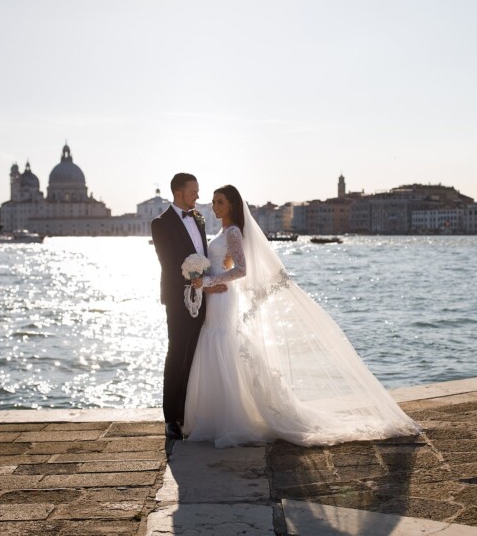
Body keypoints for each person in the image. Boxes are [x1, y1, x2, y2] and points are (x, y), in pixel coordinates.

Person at [184, 185, 420, 447]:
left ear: (232, 206)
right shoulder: (224, 231)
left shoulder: (234, 232)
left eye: (220, 202)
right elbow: (228, 264)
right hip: (216, 296)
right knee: (220, 344)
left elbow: (241, 270)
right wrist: (206, 278)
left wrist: (207, 280)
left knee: (222, 342)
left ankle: (231, 419)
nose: (215, 206)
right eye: (214, 201)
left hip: (222, 296)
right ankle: (218, 416)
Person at [150, 173, 226, 439]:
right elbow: (169, 265)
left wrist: (210, 283)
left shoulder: (198, 218)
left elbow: (203, 256)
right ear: (179, 192)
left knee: (196, 354)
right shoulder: (160, 224)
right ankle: (172, 418)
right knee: (177, 354)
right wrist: (201, 284)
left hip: (205, 296)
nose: (197, 195)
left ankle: (189, 412)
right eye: (193, 191)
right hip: (178, 297)